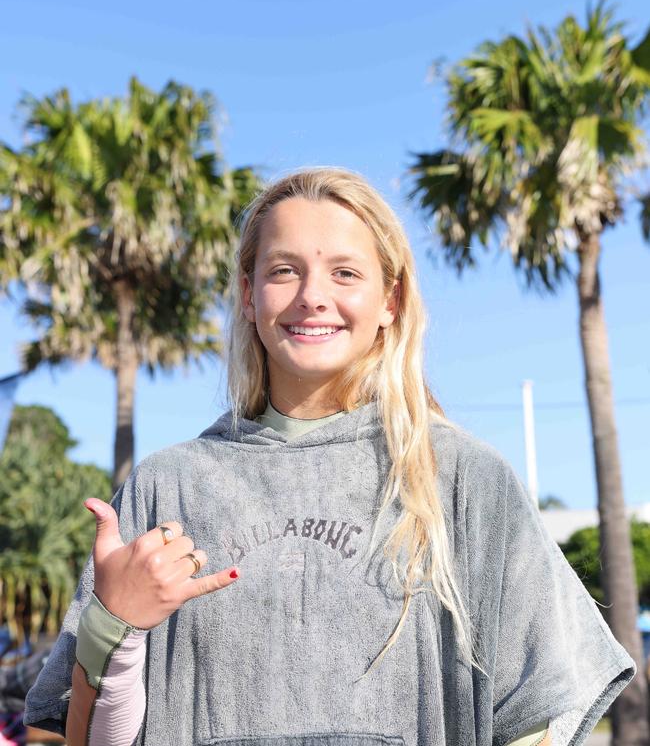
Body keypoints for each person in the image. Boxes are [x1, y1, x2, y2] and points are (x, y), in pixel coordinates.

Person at [24, 167, 635, 746]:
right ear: (247, 294)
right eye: (285, 270)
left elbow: (536, 724)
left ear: (390, 301)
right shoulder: (168, 487)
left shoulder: (464, 479)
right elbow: (92, 739)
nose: (313, 296)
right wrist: (115, 628)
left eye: (345, 273)